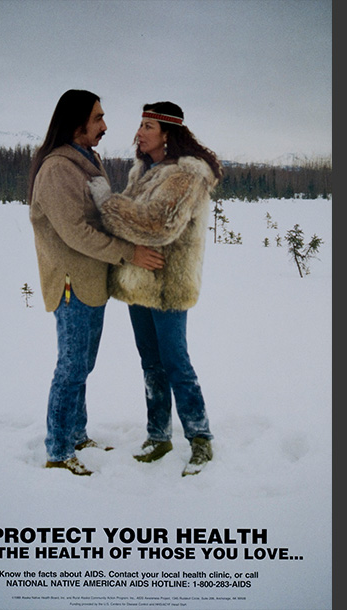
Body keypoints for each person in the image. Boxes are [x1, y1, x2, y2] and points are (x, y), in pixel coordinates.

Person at [28, 90, 165, 476]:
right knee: (70, 368)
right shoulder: (58, 169)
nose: (105, 126)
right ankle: (57, 451)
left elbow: (101, 214)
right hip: (72, 283)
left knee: (82, 366)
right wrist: (129, 253)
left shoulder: (86, 162)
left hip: (92, 282)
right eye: (98, 118)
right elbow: (76, 233)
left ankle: (75, 434)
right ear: (76, 123)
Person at [88, 101, 222, 476]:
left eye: (148, 126)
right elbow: (131, 223)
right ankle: (158, 435)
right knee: (151, 363)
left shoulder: (186, 175)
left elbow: (157, 224)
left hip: (168, 285)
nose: (139, 132)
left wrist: (105, 202)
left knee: (176, 361)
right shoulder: (145, 171)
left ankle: (200, 438)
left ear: (168, 133)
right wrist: (122, 220)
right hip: (139, 283)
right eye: (140, 125)